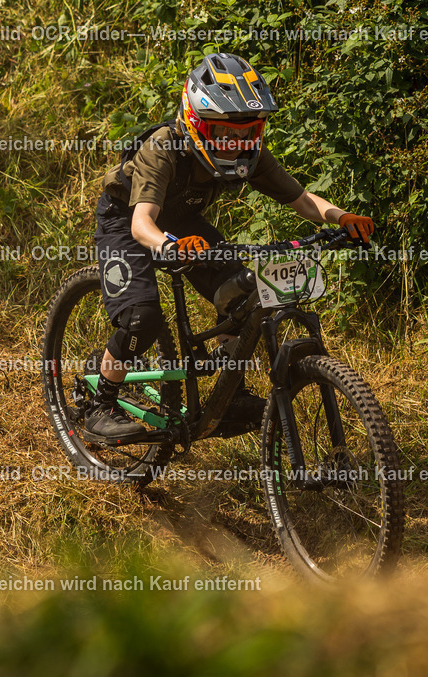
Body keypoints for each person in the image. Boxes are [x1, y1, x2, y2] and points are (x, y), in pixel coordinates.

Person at [85, 53, 374, 441]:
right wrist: (172, 245)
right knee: (142, 318)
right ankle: (99, 404)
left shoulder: (246, 153)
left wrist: (341, 218)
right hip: (128, 218)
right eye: (223, 132)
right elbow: (143, 224)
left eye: (248, 131)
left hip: (182, 224)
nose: (236, 142)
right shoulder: (163, 148)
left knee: (242, 293)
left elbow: (302, 199)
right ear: (195, 122)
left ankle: (231, 394)